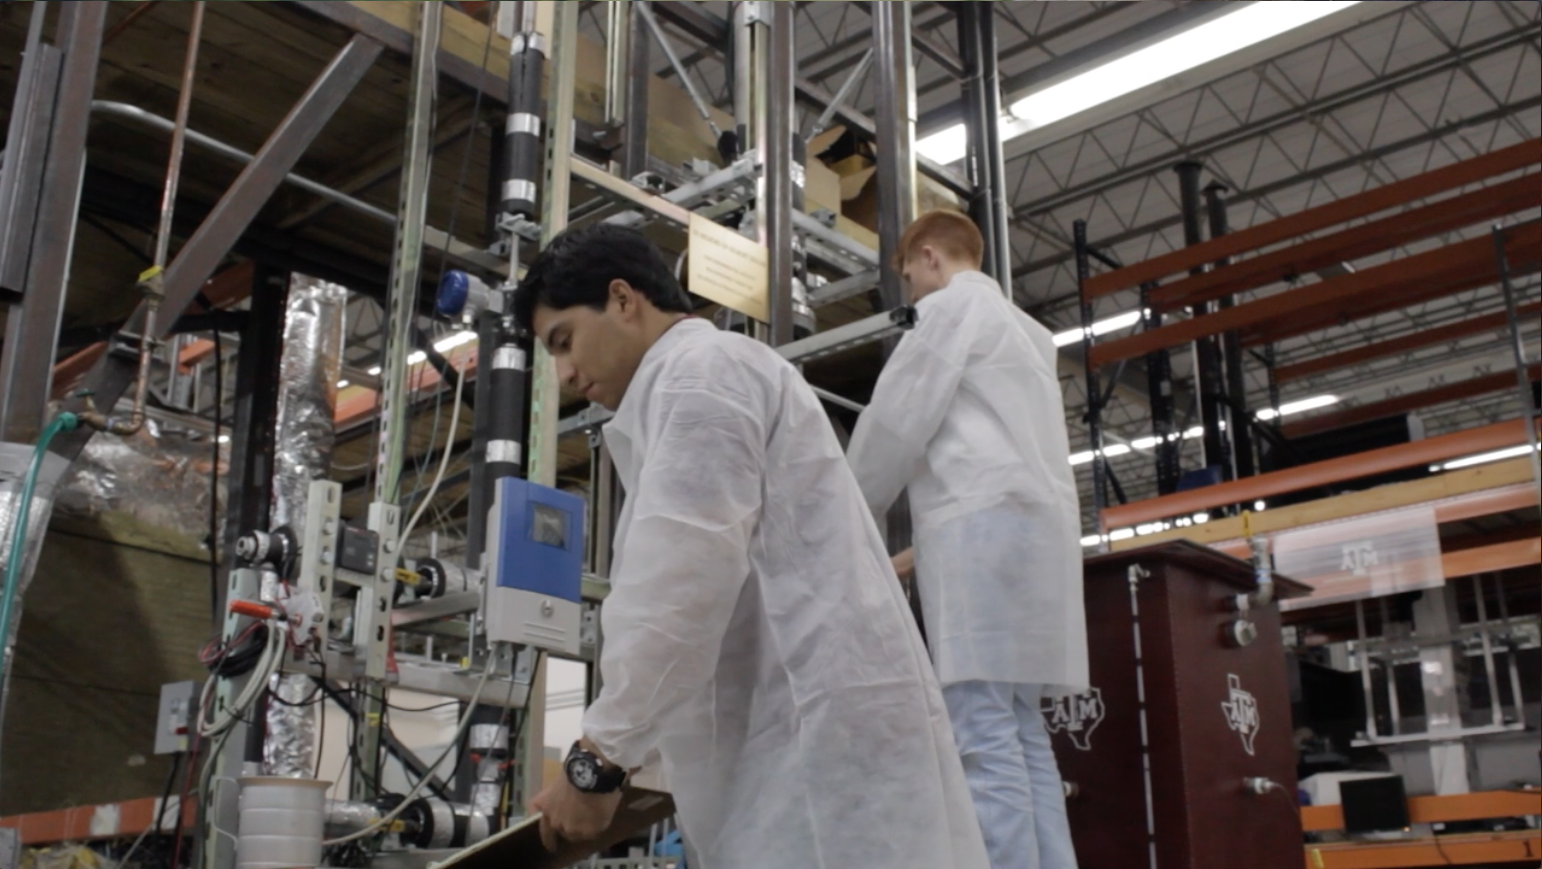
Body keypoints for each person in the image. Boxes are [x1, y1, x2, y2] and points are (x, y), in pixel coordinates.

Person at [515, 223, 988, 869]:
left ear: (623, 299)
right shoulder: (692, 386)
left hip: (815, 764)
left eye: (564, 341)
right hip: (808, 754)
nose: (566, 374)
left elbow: (678, 585)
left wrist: (599, 758)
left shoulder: (700, 376)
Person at [846, 210, 1088, 869]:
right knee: (1023, 726)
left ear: (928, 257)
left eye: (909, 281)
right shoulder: (1030, 334)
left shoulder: (953, 311)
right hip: (1037, 544)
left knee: (981, 731)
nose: (913, 297)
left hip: (978, 536)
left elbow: (896, 423)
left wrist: (840, 510)